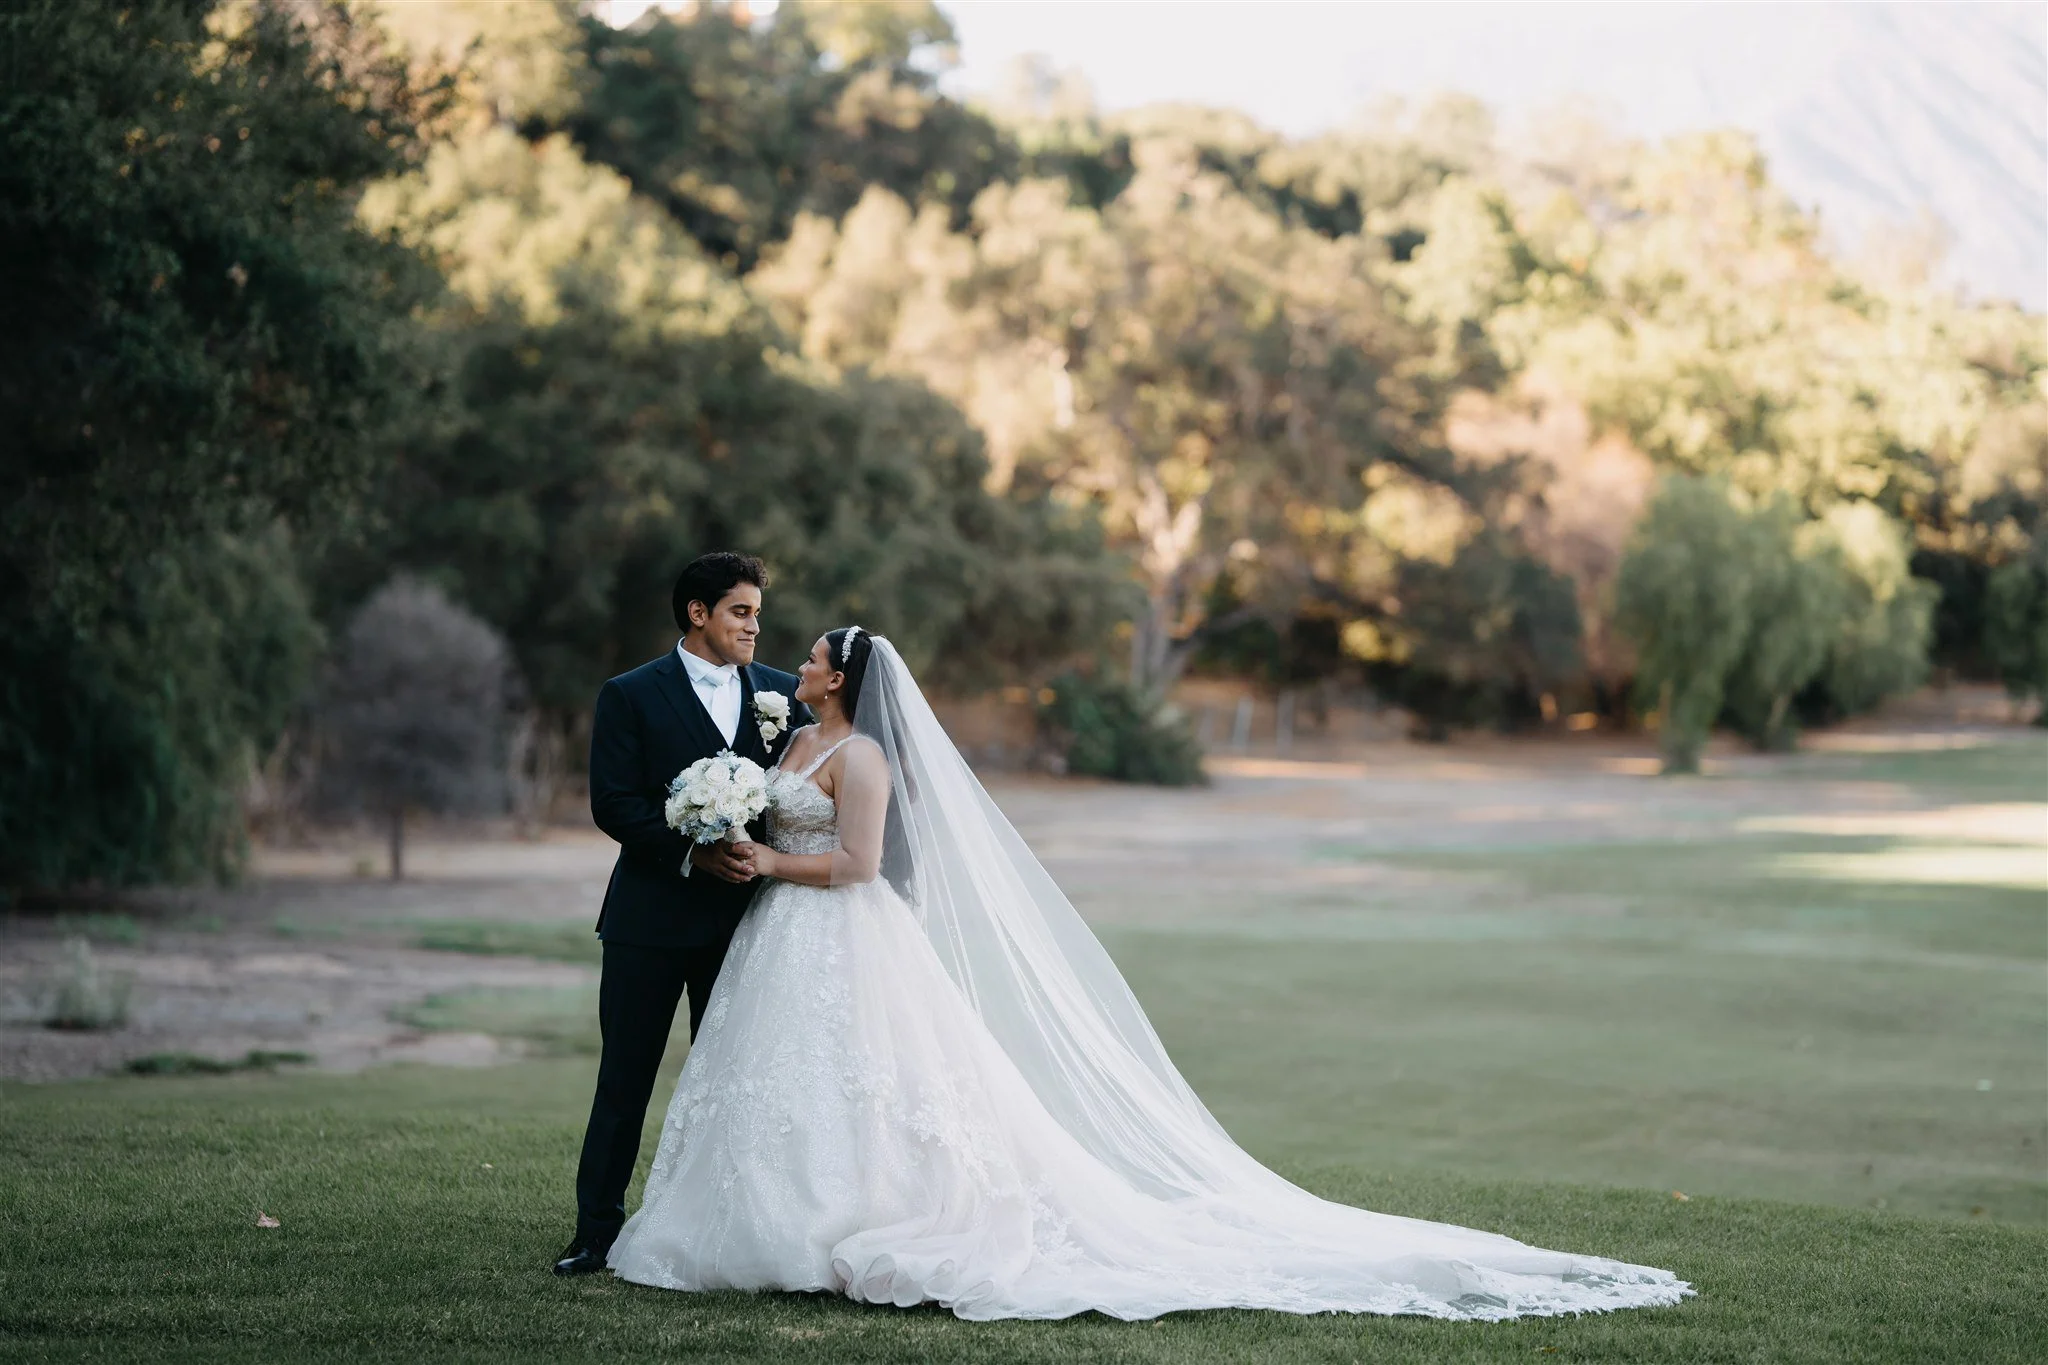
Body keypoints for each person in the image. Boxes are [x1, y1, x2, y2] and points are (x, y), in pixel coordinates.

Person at [605, 627, 1692, 1320]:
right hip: (779, 942)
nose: (794, 666)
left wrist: (767, 863)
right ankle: (764, 1227)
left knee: (870, 1084)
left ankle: (849, 1224)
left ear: (842, 677)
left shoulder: (865, 756)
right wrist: (727, 832)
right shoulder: (792, 742)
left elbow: (856, 864)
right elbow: (773, 814)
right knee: (780, 1083)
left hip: (840, 931)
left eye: (809, 658)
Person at [553, 552, 811, 1277]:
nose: (754, 626)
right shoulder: (630, 694)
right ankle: (594, 1233)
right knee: (625, 1078)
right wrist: (692, 853)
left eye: (757, 613)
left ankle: (721, 1229)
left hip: (747, 925)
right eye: (740, 611)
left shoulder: (782, 695)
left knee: (732, 1080)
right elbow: (614, 803)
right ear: (698, 613)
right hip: (649, 921)